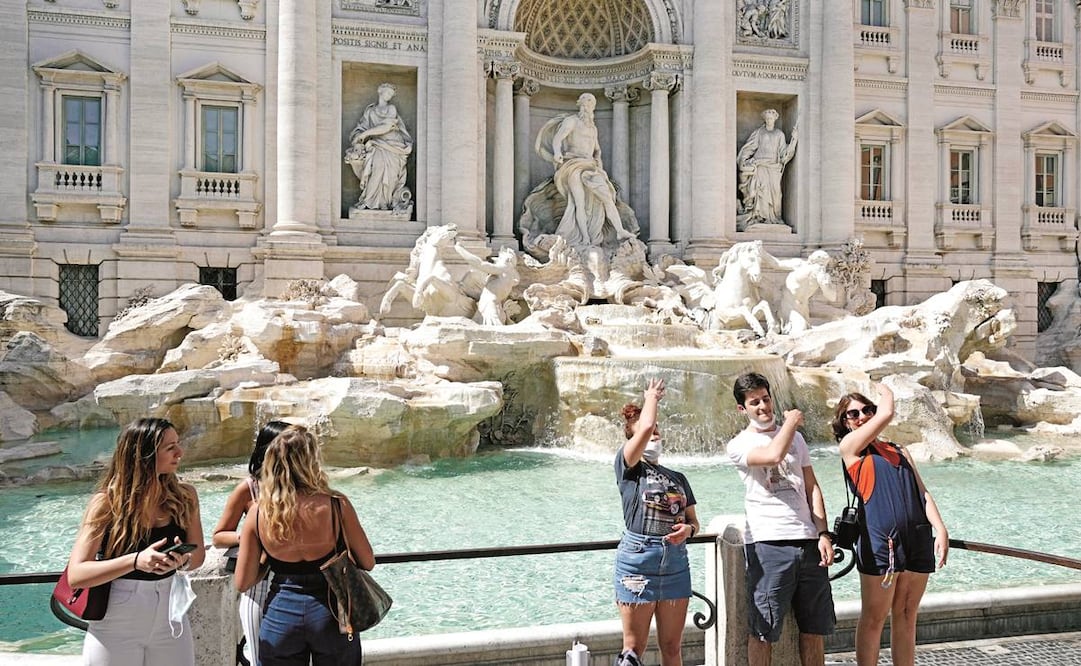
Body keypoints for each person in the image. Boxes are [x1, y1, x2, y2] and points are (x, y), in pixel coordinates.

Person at [65, 417, 205, 665]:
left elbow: (198, 557)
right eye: (169, 447)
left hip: (171, 615)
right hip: (117, 617)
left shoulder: (185, 496)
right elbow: (76, 574)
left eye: (178, 444)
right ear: (145, 455)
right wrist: (136, 561)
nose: (180, 452)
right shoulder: (106, 503)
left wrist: (180, 561)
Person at [235, 424, 375, 666]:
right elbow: (368, 561)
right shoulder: (335, 505)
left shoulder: (258, 513)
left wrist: (268, 560)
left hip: (281, 614)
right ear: (311, 461)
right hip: (331, 613)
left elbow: (243, 581)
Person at [832, 384, 949, 666]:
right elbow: (888, 412)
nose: (861, 416)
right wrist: (884, 390)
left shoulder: (899, 449)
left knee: (907, 614)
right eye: (853, 413)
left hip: (917, 537)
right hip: (880, 541)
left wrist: (941, 529)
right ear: (845, 422)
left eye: (867, 410)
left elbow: (922, 493)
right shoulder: (850, 450)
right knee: (874, 617)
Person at [726, 372, 835, 666]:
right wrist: (790, 421)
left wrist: (823, 533)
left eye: (765, 398)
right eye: (754, 402)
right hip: (768, 544)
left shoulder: (797, 439)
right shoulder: (739, 444)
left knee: (814, 629)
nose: (762, 406)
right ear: (742, 409)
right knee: (764, 630)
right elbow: (773, 456)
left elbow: (811, 486)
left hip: (808, 541)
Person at [613, 378, 700, 666]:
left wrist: (688, 530)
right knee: (633, 650)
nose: (654, 435)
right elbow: (647, 426)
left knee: (673, 647)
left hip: (675, 563)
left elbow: (694, 523)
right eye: (647, 434)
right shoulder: (629, 467)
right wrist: (651, 397)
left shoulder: (678, 477)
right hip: (639, 560)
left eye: (657, 432)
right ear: (632, 440)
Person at [212, 420, 290, 666]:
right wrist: (252, 536)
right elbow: (219, 535)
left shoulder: (306, 488)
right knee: (260, 660)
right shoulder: (248, 489)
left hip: (297, 589)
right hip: (259, 590)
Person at [536, 92, 637, 247]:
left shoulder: (593, 128)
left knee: (607, 198)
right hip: (573, 164)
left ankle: (620, 230)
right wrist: (557, 152)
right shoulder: (572, 121)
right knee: (579, 203)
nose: (589, 104)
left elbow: (597, 150)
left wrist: (599, 166)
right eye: (586, 101)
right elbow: (558, 138)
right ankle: (585, 238)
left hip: (591, 166)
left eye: (592, 102)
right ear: (580, 104)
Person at [345, 82, 414, 212]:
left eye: (391, 94)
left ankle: (385, 203)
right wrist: (358, 137)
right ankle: (369, 201)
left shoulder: (392, 108)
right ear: (380, 91)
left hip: (393, 145)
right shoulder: (370, 111)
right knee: (377, 169)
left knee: (391, 175)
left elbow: (386, 127)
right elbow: (361, 128)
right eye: (387, 93)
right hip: (376, 146)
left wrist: (366, 134)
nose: (389, 96)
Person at [737, 109, 798, 229]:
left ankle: (775, 217)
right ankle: (760, 217)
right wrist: (743, 161)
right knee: (761, 191)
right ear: (765, 119)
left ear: (775, 119)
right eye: (767, 118)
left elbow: (784, 153)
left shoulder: (779, 134)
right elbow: (750, 147)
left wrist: (794, 140)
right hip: (760, 165)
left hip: (774, 167)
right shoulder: (759, 132)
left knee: (776, 192)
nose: (769, 120)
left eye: (771, 118)